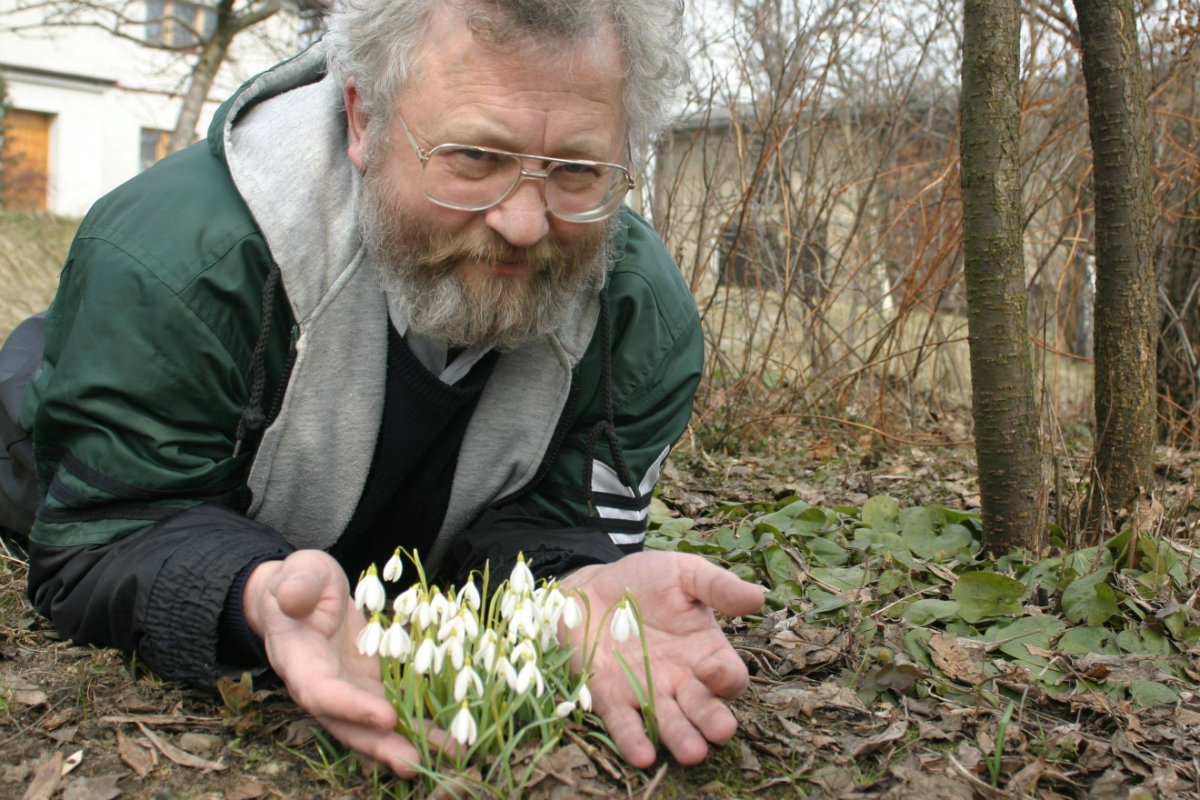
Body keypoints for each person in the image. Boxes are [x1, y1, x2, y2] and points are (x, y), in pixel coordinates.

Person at [0, 0, 765, 775]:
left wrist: (578, 585)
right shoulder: (180, 264)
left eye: (576, 169)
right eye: (475, 156)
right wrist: (250, 593)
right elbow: (109, 529)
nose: (524, 223)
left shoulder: (636, 321)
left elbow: (553, 524)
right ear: (363, 119)